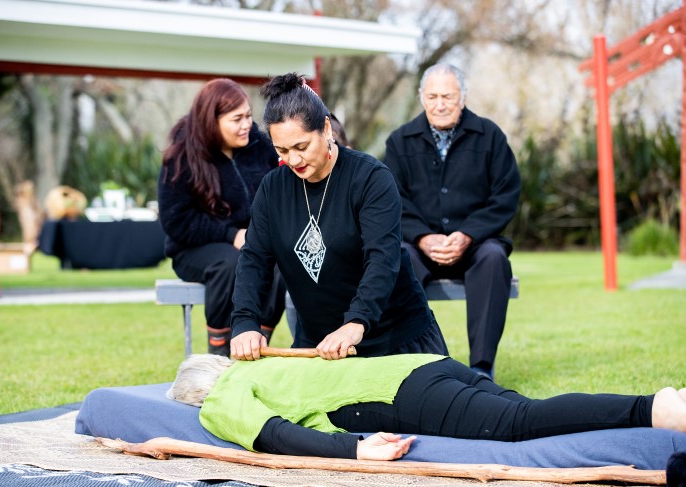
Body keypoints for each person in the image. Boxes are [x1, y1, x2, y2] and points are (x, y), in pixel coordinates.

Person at [230, 73, 448, 361]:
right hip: (320, 345)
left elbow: (382, 259)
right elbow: (254, 260)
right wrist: (245, 321)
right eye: (281, 150)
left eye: (301, 147)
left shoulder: (371, 179)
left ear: (326, 128)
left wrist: (356, 322)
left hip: (393, 338)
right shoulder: (273, 189)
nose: (293, 160)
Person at [167, 353, 686, 461]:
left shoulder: (222, 396)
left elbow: (275, 436)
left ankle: (655, 408)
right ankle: (653, 407)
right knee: (530, 411)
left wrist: (354, 452)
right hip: (425, 366)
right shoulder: (260, 367)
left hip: (401, 396)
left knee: (520, 423)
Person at [384, 63, 522, 381]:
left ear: (462, 97)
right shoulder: (400, 141)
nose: (440, 103)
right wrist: (422, 238)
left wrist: (467, 234)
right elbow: (392, 199)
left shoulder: (490, 137)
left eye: (447, 95)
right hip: (419, 245)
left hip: (475, 245)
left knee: (494, 258)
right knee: (397, 260)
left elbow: (505, 195)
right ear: (421, 98)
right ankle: (412, 366)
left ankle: (482, 368)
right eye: (432, 96)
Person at [158, 78, 286, 357]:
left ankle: (256, 346)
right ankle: (219, 353)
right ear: (211, 120)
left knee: (278, 263)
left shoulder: (260, 147)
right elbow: (176, 221)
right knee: (231, 263)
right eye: (236, 118)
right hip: (194, 249)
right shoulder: (181, 157)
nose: (246, 125)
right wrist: (231, 235)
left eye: (249, 116)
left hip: (251, 241)